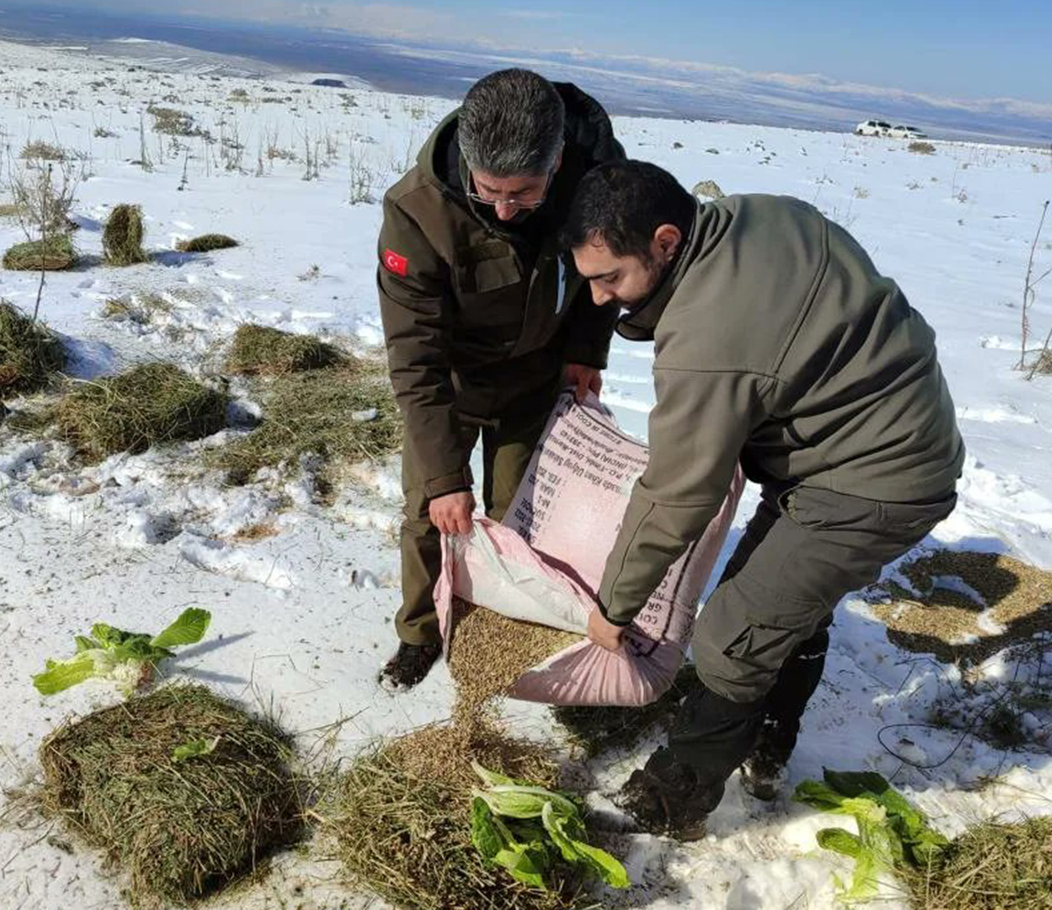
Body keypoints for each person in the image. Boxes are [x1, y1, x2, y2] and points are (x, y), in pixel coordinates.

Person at [561, 160, 964, 839]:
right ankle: (769, 744)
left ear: (664, 241)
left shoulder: (705, 336)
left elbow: (679, 491)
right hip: (867, 440)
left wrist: (613, 604)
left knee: (731, 636)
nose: (600, 299)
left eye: (611, 278)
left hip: (877, 476)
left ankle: (676, 796)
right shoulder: (757, 216)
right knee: (780, 604)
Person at [376, 69, 625, 691]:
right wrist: (443, 478)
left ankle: (496, 619)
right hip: (452, 384)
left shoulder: (596, 190)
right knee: (432, 512)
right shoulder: (417, 214)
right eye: (489, 191)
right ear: (466, 155)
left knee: (519, 511)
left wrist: (587, 351)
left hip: (537, 376)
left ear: (558, 159)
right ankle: (418, 632)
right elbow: (415, 355)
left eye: (526, 193)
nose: (506, 209)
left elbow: (607, 275)